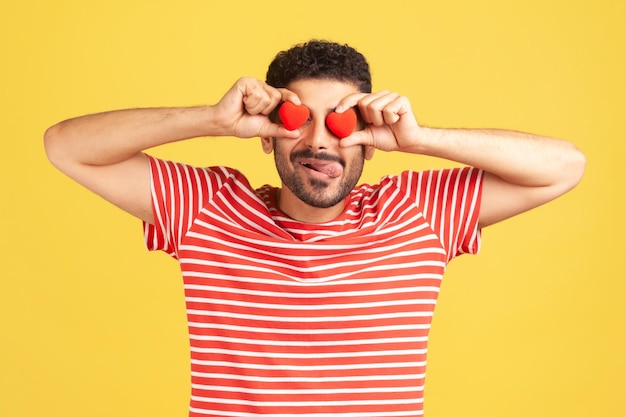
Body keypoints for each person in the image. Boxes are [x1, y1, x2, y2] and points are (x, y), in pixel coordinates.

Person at [44, 40, 585, 417]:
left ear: (369, 136)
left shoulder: (418, 211)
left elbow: (565, 167)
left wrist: (422, 138)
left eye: (340, 122)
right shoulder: (207, 208)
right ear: (267, 133)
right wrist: (212, 118)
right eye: (299, 120)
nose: (321, 142)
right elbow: (65, 146)